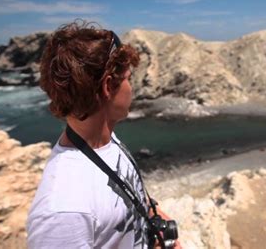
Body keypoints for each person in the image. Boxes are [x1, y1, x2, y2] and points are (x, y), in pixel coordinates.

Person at [26, 21, 179, 249]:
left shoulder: (105, 140)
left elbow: (128, 196)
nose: (131, 88)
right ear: (108, 87)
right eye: (128, 78)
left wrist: (156, 219)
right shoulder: (62, 211)